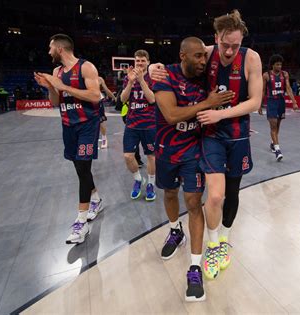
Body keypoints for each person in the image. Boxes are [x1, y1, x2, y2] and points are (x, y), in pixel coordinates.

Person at [151, 10, 263, 280]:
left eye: (235, 45)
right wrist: (156, 67)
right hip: (211, 134)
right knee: (214, 196)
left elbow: (255, 102)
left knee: (233, 193)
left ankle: (224, 239)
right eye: (225, 45)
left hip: (236, 133)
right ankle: (213, 245)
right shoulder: (208, 52)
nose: (229, 51)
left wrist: (220, 113)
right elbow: (185, 59)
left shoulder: (251, 58)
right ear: (216, 39)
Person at [154, 37, 235, 301]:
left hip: (192, 151)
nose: (203, 61)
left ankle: (195, 267)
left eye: (204, 56)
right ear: (183, 56)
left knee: (193, 203)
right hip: (166, 149)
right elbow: (171, 115)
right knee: (169, 193)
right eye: (197, 56)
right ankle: (175, 230)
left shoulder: (207, 78)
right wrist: (207, 103)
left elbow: (225, 55)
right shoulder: (165, 75)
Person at [34, 33, 104, 244]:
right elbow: (56, 101)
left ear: (60, 49)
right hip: (68, 126)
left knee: (83, 167)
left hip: (87, 126)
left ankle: (81, 222)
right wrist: (51, 88)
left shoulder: (86, 67)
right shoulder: (56, 72)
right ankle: (96, 200)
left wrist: (63, 86)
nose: (49, 52)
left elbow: (95, 96)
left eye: (50, 48)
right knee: (81, 170)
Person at [120, 50, 156, 201]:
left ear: (148, 62)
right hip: (132, 124)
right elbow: (123, 99)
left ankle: (151, 185)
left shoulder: (153, 77)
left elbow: (152, 99)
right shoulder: (129, 77)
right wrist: (130, 82)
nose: (140, 63)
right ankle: (138, 179)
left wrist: (141, 81)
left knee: (152, 157)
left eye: (142, 60)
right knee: (128, 156)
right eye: (137, 61)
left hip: (149, 124)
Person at [259, 54, 298, 161]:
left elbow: (288, 88)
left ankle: (273, 143)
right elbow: (263, 91)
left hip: (281, 102)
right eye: (277, 64)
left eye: (281, 64)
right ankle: (278, 150)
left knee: (278, 125)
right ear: (272, 65)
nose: (280, 66)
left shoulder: (285, 74)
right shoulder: (266, 75)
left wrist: (294, 102)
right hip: (271, 102)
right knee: (273, 126)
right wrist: (260, 105)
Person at [98, 76, 116, 149]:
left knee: (101, 121)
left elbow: (106, 89)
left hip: (97, 101)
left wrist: (114, 97)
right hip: (86, 101)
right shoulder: (80, 78)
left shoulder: (99, 79)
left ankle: (104, 138)